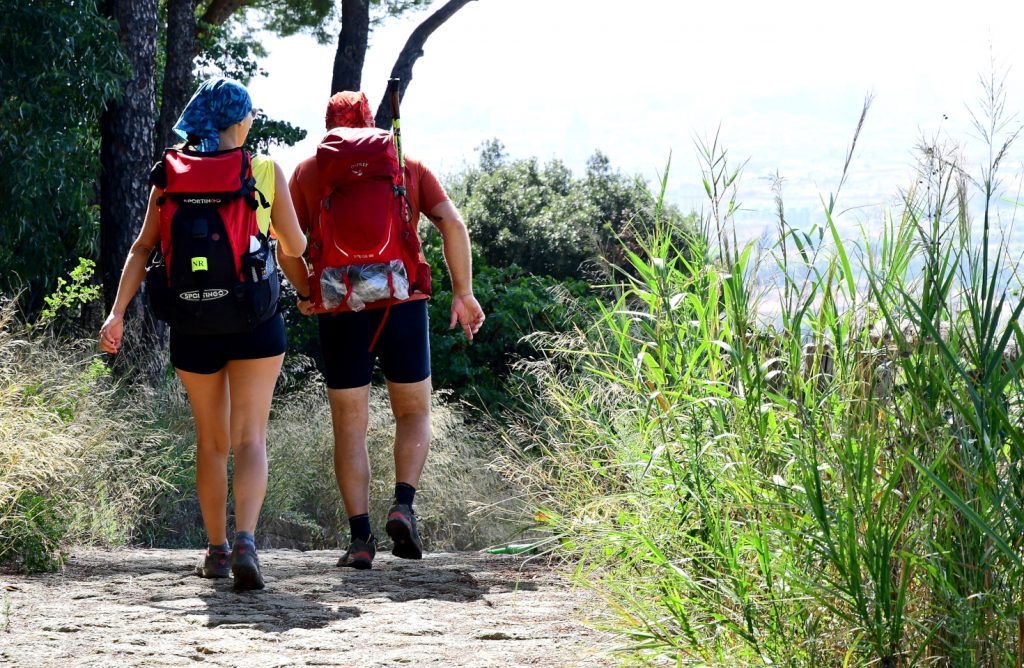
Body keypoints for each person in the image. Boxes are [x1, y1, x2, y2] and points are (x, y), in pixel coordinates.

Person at [99, 77, 307, 590]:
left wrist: (117, 313)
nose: (253, 120)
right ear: (238, 121)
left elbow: (142, 249)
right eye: (250, 114)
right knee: (250, 437)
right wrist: (271, 231)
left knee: (211, 442)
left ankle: (215, 550)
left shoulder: (171, 172)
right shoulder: (263, 170)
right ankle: (246, 541)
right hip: (255, 321)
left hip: (192, 324)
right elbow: (297, 247)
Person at [277, 90, 484, 570]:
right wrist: (462, 292)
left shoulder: (310, 172)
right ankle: (403, 506)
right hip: (403, 305)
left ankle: (360, 540)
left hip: (340, 309)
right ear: (370, 123)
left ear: (329, 127)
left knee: (350, 427)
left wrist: (308, 292)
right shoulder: (403, 163)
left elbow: (287, 247)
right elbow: (452, 224)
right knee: (413, 414)